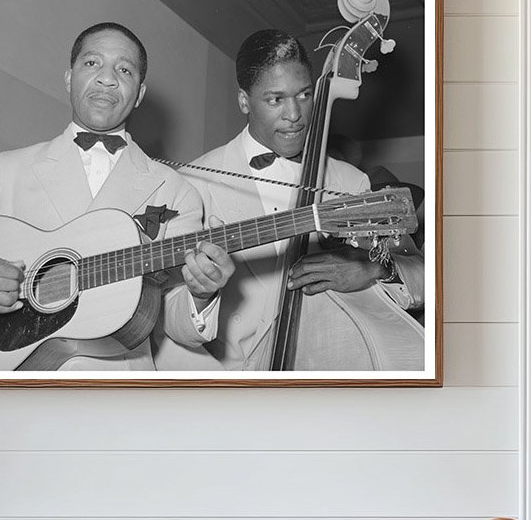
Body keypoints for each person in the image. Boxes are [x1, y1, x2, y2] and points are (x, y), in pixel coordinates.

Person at [0, 21, 234, 371]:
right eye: (92, 63)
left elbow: (175, 322)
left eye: (124, 70)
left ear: (139, 93)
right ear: (68, 78)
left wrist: (202, 295)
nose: (107, 79)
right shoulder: (6, 169)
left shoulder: (176, 189)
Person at [154, 29, 423, 372]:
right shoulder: (195, 182)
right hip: (229, 386)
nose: (295, 114)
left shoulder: (350, 181)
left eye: (304, 95)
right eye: (275, 99)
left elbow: (421, 278)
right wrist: (200, 295)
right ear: (243, 101)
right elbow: (169, 317)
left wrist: (371, 270)